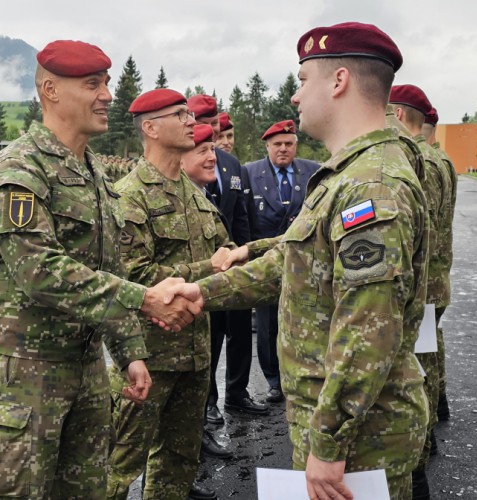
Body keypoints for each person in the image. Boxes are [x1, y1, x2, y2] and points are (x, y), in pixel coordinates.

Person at [164, 22, 431, 500]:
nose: (295, 94)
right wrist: (201, 292)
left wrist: (328, 444)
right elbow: (293, 260)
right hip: (340, 423)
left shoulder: (371, 184)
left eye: (303, 79)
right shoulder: (351, 173)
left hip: (357, 437)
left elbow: (367, 331)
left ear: (339, 81)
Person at [0, 40, 200, 499]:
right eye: (92, 84)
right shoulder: (17, 168)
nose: (107, 95)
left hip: (87, 370)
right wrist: (144, 298)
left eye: (107, 83)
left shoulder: (94, 173)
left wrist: (129, 350)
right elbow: (38, 268)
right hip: (29, 374)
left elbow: (105, 268)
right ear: (50, 90)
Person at [107, 91, 244, 500]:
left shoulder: (193, 192)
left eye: (189, 113)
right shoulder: (129, 195)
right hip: (147, 360)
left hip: (194, 355)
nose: (191, 121)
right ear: (150, 128)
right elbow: (133, 278)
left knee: (177, 464)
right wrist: (208, 269)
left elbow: (226, 252)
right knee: (118, 466)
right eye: (180, 114)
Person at [389, 84, 453, 500]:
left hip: (422, 284)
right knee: (426, 357)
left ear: (397, 115)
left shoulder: (418, 162)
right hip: (435, 281)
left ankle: (420, 450)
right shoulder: (439, 158)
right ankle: (427, 434)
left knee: (417, 366)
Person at [186, 94, 263, 425]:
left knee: (241, 331)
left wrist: (244, 255)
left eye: (217, 124)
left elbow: (241, 214)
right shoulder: (187, 162)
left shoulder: (232, 164)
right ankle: (208, 402)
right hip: (206, 268)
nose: (216, 131)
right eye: (208, 124)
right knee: (212, 335)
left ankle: (237, 392)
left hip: (235, 261)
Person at [244, 119, 320, 404]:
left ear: (296, 145)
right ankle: (274, 380)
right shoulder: (250, 173)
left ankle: (304, 375)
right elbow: (246, 217)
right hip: (267, 261)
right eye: (277, 144)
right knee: (267, 326)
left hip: (306, 261)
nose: (283, 149)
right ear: (267, 146)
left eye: (289, 143)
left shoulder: (312, 171)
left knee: (306, 321)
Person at [423, 108, 456, 424]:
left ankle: (428, 421)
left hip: (427, 279)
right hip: (437, 275)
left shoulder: (428, 164)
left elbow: (426, 227)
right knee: (432, 343)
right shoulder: (441, 159)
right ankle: (439, 402)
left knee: (422, 356)